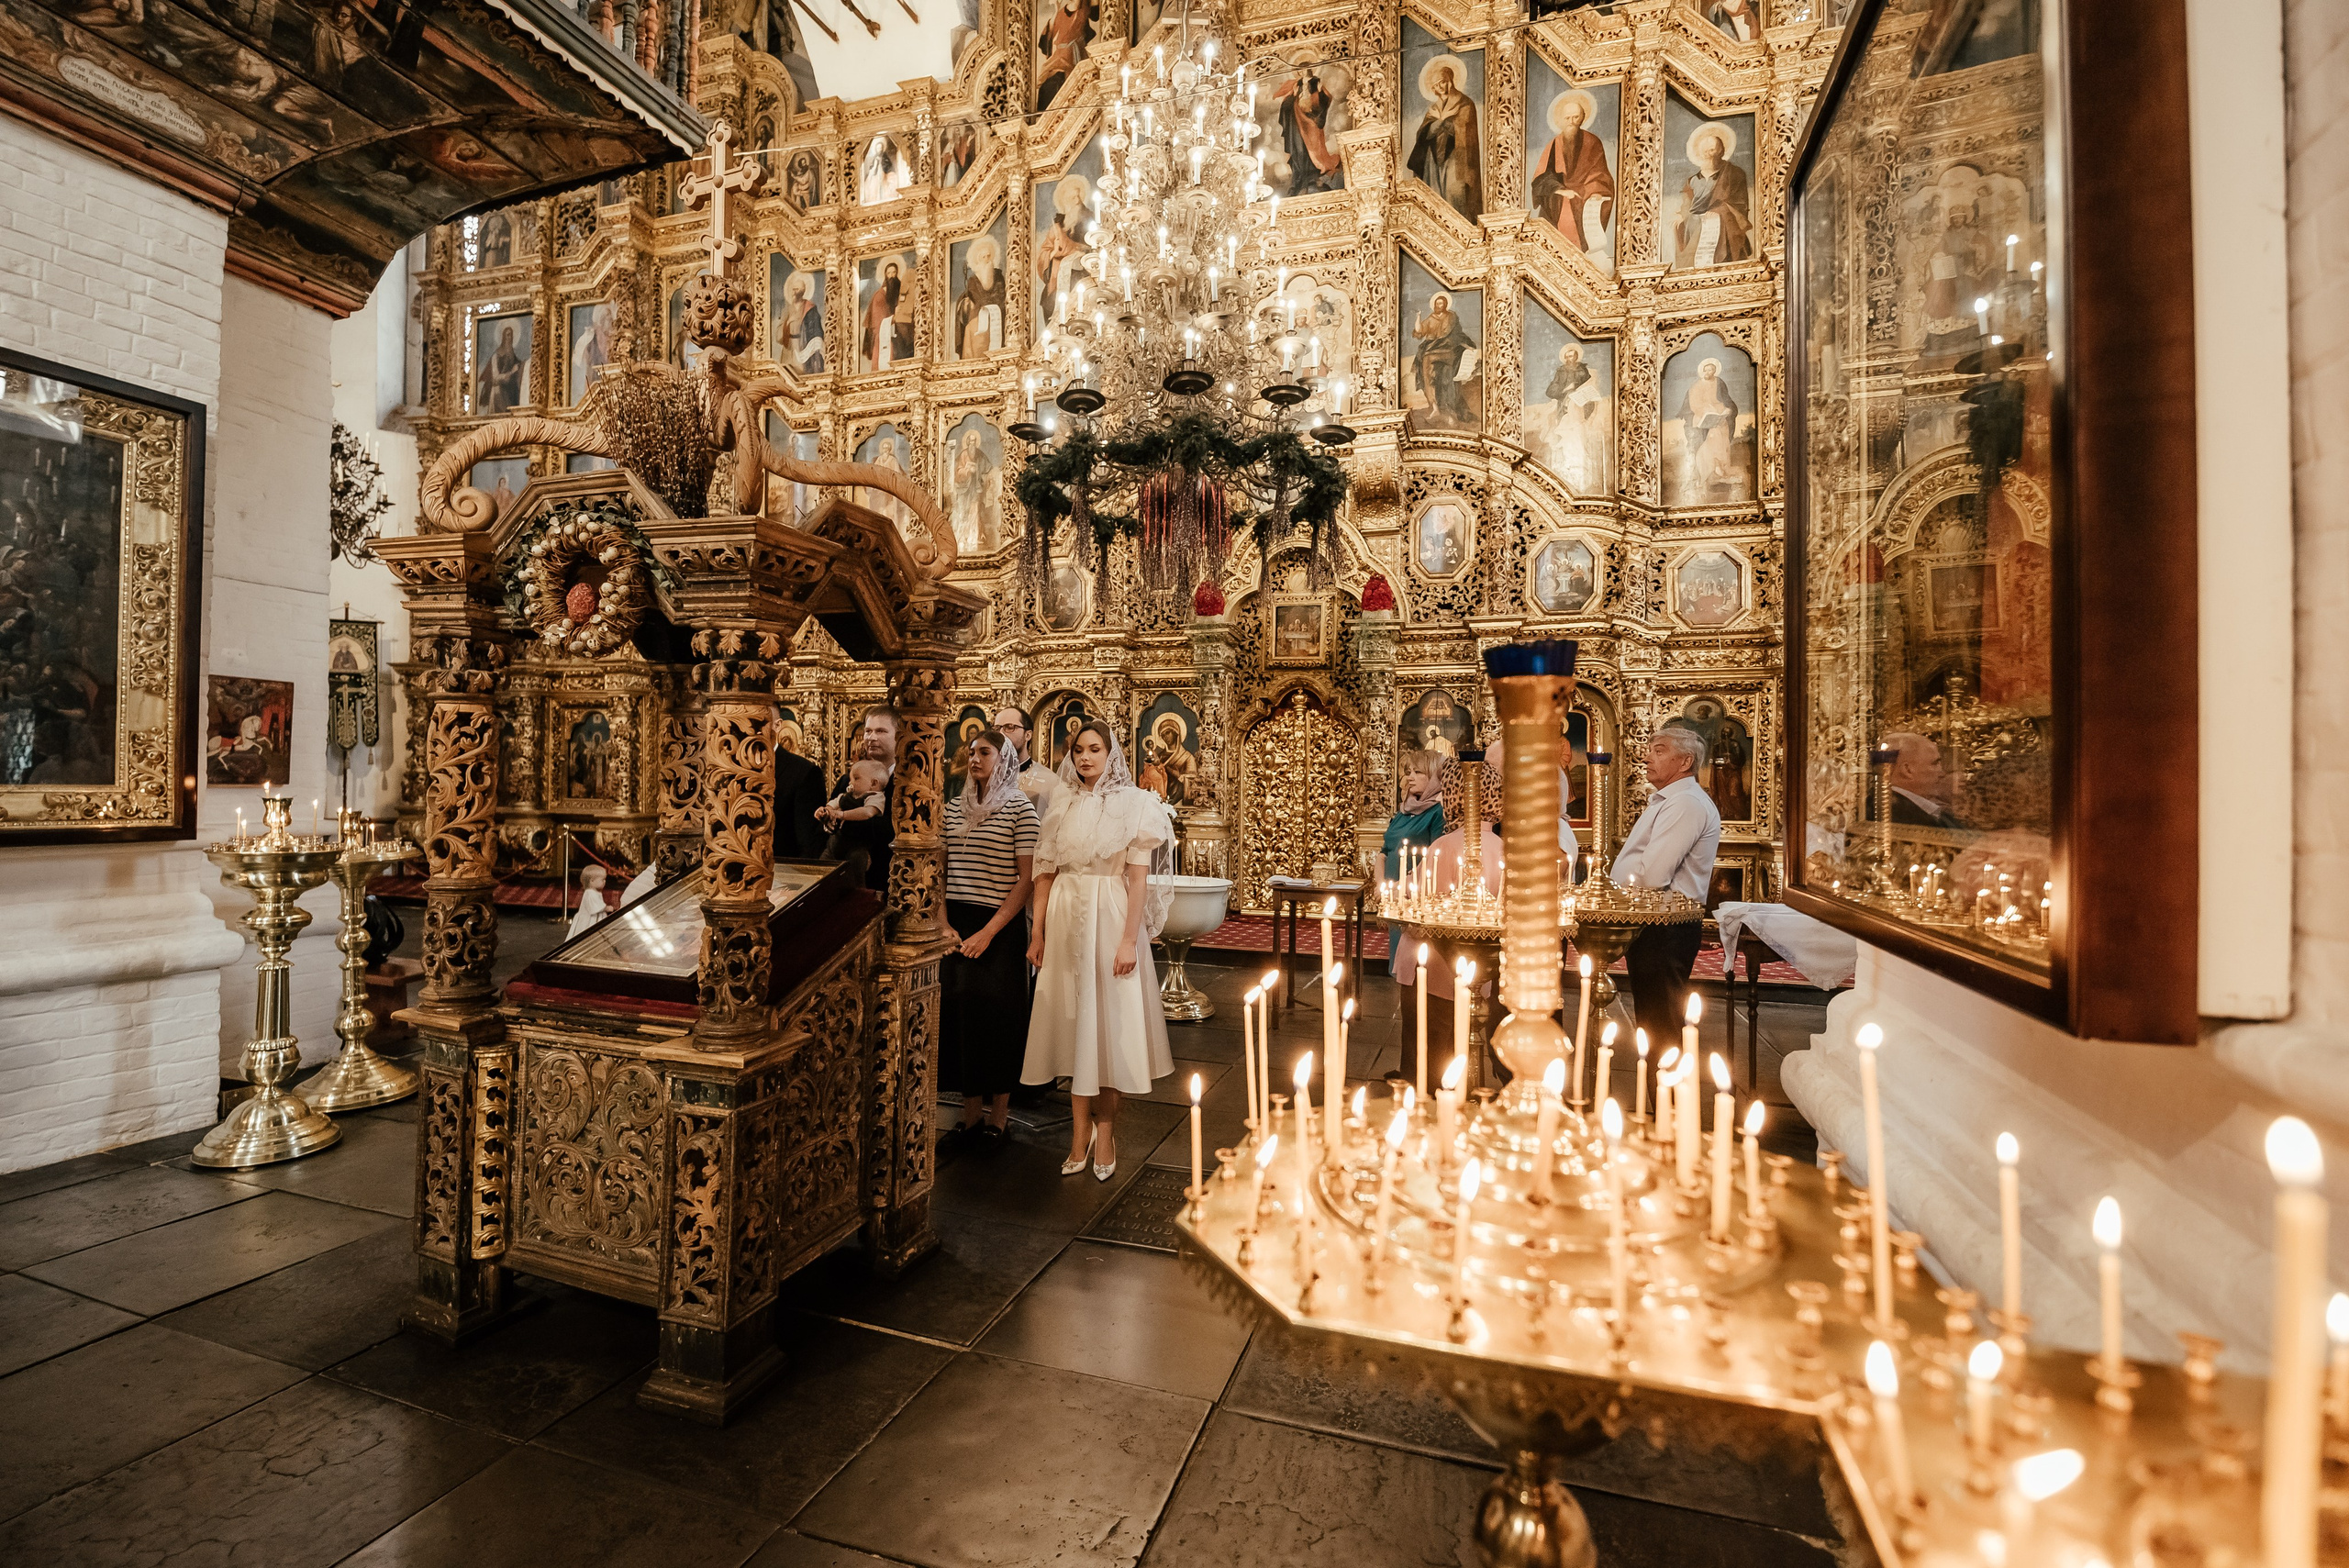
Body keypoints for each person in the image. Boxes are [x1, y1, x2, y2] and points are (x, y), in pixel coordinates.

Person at [1022, 720, 1174, 1182]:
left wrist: (1131, 939)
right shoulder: (1060, 802)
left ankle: (1105, 1134)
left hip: (1111, 917)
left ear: (1111, 753)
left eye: (1094, 749)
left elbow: (1138, 879)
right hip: (1066, 916)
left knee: (1106, 1030)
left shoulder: (1137, 804)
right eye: (1078, 750)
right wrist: (1038, 932)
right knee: (1070, 1025)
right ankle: (1077, 1134)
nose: (1085, 757)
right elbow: (1045, 872)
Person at [941, 728, 1040, 1154]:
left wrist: (989, 931)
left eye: (985, 752)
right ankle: (969, 1117)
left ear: (1005, 759)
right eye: (972, 752)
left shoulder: (1021, 809)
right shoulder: (951, 809)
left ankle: (998, 1119)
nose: (976, 758)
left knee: (998, 1018)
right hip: (956, 921)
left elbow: (1027, 880)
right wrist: (943, 924)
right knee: (960, 1014)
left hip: (998, 925)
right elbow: (938, 873)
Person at [1610, 726, 1723, 1047]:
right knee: (1653, 1018)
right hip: (1656, 922)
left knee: (1661, 1024)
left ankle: (1667, 1094)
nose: (1647, 757)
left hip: (1664, 926)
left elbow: (1653, 877)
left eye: (1659, 751)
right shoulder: (1669, 800)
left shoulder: (1684, 803)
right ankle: (1662, 1092)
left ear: (1685, 762)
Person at [818, 706, 901, 890]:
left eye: (880, 731)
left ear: (898, 735)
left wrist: (848, 820)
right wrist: (827, 819)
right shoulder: (848, 780)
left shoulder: (905, 783)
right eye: (868, 731)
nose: (871, 737)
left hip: (886, 877)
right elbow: (828, 822)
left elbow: (894, 829)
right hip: (842, 877)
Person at [1531, 92, 1615, 253]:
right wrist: (1560, 190)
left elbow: (1600, 173)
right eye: (1567, 118)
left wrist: (1595, 190)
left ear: (1582, 118)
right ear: (1560, 120)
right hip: (1558, 200)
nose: (1571, 122)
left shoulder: (1593, 142)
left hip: (1584, 196)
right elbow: (1542, 179)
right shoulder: (1554, 144)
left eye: (1575, 117)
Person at [1382, 748, 1446, 956]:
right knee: (1397, 957)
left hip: (1415, 895)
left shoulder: (1438, 812)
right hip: (1393, 895)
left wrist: (1405, 886)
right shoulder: (1404, 810)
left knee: (1412, 960)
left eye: (1418, 772)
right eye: (1408, 772)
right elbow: (1384, 851)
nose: (1410, 777)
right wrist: (1380, 887)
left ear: (1434, 775)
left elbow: (1437, 856)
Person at [1408, 61, 1484, 221]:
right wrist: (1434, 125)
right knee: (1434, 189)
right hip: (1433, 158)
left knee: (1454, 189)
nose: (1440, 87)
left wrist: (1449, 123)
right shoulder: (1433, 109)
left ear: (1449, 81)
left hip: (1456, 154)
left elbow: (1466, 127)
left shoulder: (1465, 102)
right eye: (1435, 85)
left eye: (1442, 82)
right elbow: (1422, 133)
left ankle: (1460, 221)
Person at [1673, 127, 1753, 270]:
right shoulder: (1693, 180)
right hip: (1695, 223)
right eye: (1705, 151)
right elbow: (1687, 204)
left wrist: (1720, 211)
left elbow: (1740, 203)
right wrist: (1682, 217)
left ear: (1721, 151)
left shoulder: (1734, 173)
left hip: (1724, 225)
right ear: (1699, 154)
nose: (1709, 155)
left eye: (1712, 150)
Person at [1411, 295, 1477, 429]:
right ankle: (1434, 407)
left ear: (1446, 304)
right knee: (1428, 378)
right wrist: (1418, 316)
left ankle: (1449, 409)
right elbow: (1419, 330)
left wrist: (1467, 346)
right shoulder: (1431, 319)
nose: (1439, 305)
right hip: (1430, 351)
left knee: (1447, 378)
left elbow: (1457, 334)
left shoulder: (1451, 317)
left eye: (1441, 303)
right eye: (1437, 303)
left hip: (1448, 350)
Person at [1876, 730, 1965, 828]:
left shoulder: (1881, 805)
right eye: (1935, 763)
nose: (1941, 772)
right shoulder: (1903, 815)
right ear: (1908, 770)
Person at [996, 704, 1060, 816]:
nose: (1000, 734)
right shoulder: (984, 776)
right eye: (997, 728)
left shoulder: (1050, 781)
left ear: (1028, 735)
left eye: (1010, 727)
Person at [775, 738, 829, 861]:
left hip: (783, 870)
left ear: (777, 725)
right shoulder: (729, 766)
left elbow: (808, 841)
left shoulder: (804, 771)